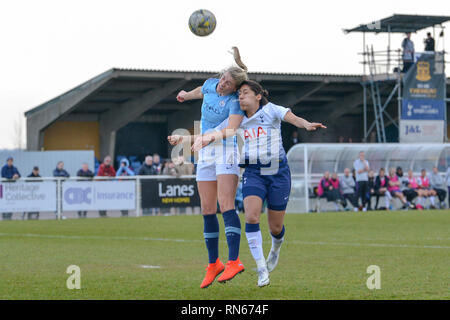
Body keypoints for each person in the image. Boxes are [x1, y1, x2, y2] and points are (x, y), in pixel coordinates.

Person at [198, 80, 325, 286]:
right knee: (251, 216)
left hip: (277, 170)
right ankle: (261, 269)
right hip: (253, 171)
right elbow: (215, 132)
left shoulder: (271, 110)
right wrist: (187, 139)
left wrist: (307, 124)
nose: (240, 96)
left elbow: (292, 118)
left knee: (275, 227)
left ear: (258, 96)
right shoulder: (237, 120)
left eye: (245, 93)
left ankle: (276, 246)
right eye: (238, 94)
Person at [168, 47, 250, 288]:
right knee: (206, 208)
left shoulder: (235, 101)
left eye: (228, 84)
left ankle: (234, 261)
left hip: (226, 149)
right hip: (205, 150)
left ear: (235, 88)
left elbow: (232, 130)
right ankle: (214, 264)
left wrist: (206, 138)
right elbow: (200, 91)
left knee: (225, 205)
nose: (223, 85)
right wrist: (185, 94)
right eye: (223, 79)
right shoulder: (210, 84)